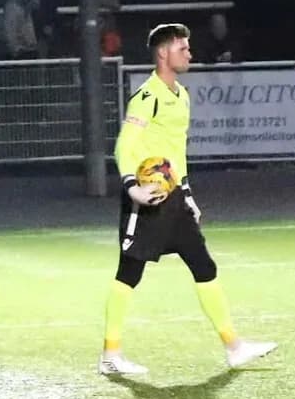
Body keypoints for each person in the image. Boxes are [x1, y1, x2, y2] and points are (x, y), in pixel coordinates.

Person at [100, 23, 277, 376]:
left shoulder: (181, 95)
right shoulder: (147, 96)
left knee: (204, 266)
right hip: (146, 199)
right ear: (164, 53)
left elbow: (176, 153)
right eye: (183, 48)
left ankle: (234, 347)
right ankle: (110, 355)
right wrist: (132, 185)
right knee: (129, 274)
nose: (190, 54)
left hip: (175, 199)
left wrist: (187, 193)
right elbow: (125, 144)